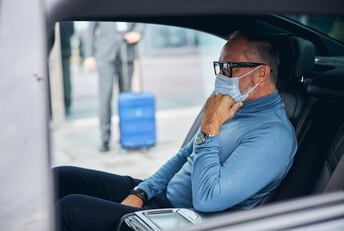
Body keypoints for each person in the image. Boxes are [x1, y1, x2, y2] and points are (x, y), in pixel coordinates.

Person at [54, 30, 297, 231]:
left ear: (262, 73)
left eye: (229, 67)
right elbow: (184, 157)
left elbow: (207, 199)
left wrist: (210, 126)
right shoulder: (234, 105)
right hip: (161, 199)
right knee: (61, 178)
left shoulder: (274, 135)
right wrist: (141, 192)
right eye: (219, 66)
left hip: (182, 220)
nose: (221, 75)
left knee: (69, 209)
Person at [84, 22, 145, 151]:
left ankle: (127, 138)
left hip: (127, 52)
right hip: (105, 55)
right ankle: (105, 139)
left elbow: (140, 20)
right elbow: (91, 29)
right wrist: (89, 54)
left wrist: (138, 32)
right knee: (105, 98)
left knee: (126, 99)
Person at [60, 22, 74, 115]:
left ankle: (65, 101)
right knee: (66, 77)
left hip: (57, 49)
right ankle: (67, 102)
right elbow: (72, 30)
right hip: (65, 47)